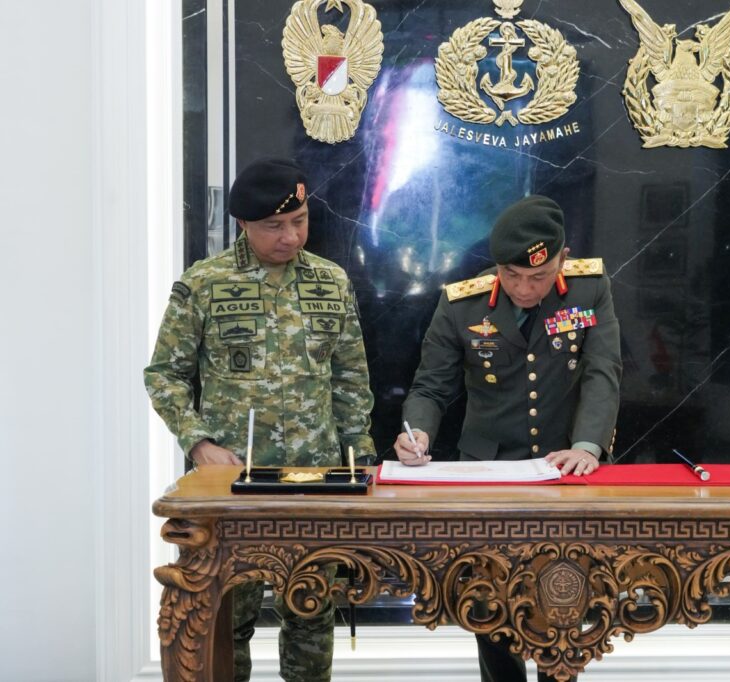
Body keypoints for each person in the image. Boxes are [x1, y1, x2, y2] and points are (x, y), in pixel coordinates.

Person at [144, 158, 374, 682]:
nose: (290, 236)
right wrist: (198, 444)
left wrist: (361, 460)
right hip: (234, 486)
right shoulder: (204, 284)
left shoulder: (331, 282)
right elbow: (164, 375)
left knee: (312, 618)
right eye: (274, 226)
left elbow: (350, 379)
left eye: (299, 221)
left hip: (317, 483)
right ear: (243, 223)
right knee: (230, 621)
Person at [393, 195, 622, 682]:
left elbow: (602, 371)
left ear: (562, 258)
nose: (523, 288)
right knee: (490, 609)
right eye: (511, 274)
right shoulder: (462, 303)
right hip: (488, 476)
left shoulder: (590, 288)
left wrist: (588, 446)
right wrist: (417, 432)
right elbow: (431, 386)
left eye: (538, 277)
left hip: (565, 469)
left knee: (564, 604)